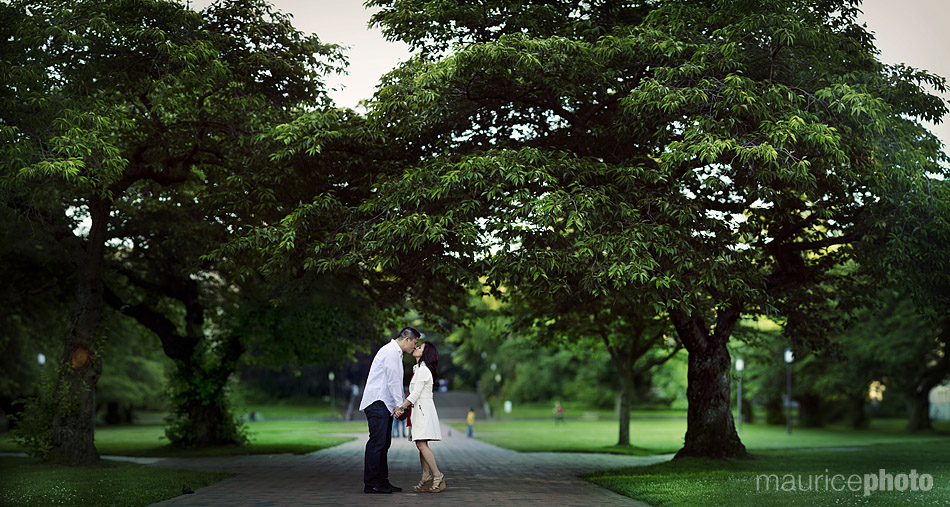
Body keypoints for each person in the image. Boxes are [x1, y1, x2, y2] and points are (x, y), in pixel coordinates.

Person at [359, 327, 419, 494]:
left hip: (383, 403)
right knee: (377, 443)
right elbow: (393, 381)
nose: (415, 347)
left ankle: (382, 481)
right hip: (377, 402)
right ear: (407, 339)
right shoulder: (391, 352)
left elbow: (395, 383)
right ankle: (371, 484)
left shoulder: (395, 353)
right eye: (415, 343)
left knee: (384, 444)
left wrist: (399, 405)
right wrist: (400, 406)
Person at [393, 341, 446, 493]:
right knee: (421, 444)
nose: (416, 347)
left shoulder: (423, 370)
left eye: (420, 347)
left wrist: (401, 407)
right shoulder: (419, 369)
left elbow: (415, 394)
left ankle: (437, 475)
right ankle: (425, 476)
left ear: (425, 354)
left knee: (421, 444)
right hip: (419, 410)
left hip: (423, 410)